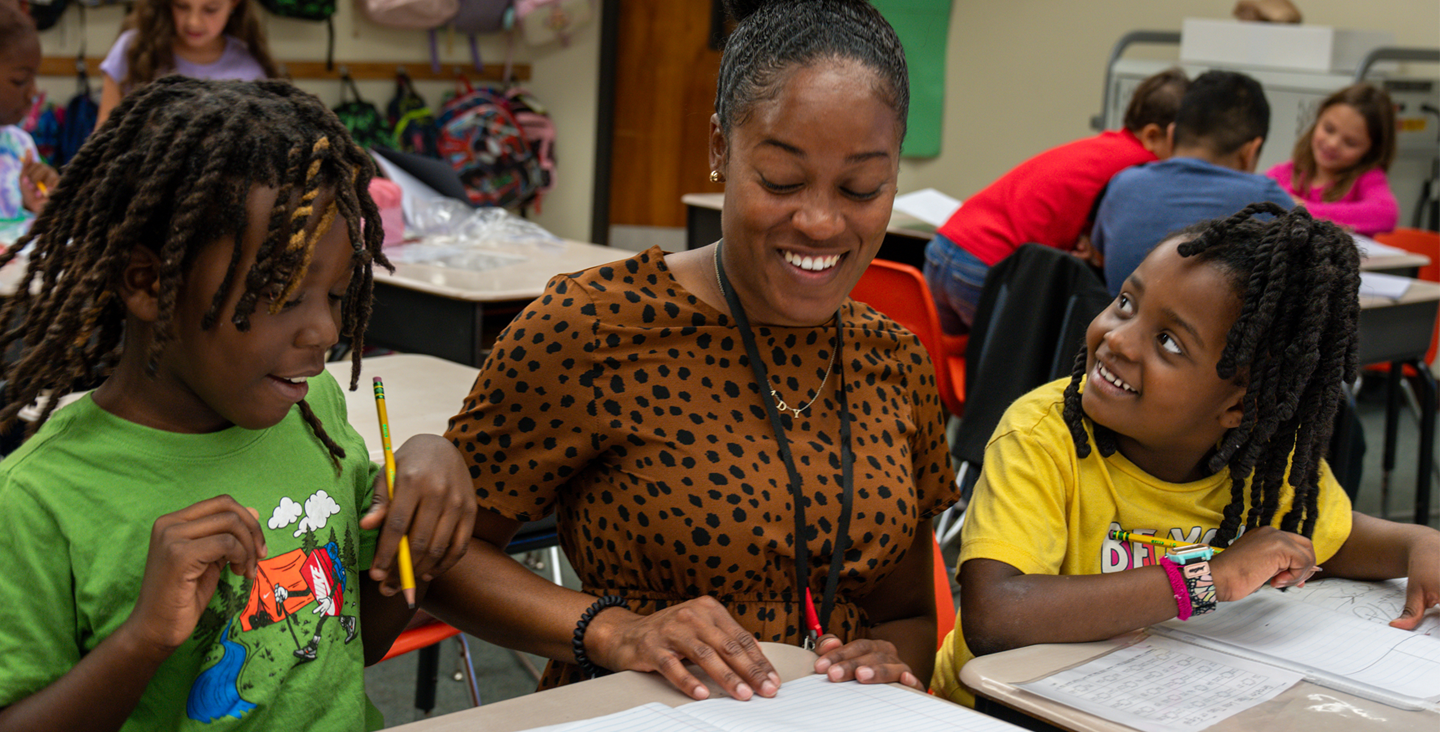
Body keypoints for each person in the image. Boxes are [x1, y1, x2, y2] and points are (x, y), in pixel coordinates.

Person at [426, 0, 957, 702]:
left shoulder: (893, 363)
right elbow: (440, 558)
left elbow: (910, 616)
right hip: (631, 711)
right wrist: (613, 630)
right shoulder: (597, 326)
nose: (822, 220)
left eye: (862, 188)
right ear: (718, 149)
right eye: (781, 181)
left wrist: (886, 660)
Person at [0, 77, 477, 731]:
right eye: (283, 294)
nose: (326, 334)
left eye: (337, 297)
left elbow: (350, 645)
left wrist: (423, 491)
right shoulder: (38, 500)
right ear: (149, 283)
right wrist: (144, 639)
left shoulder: (315, 413)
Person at [933, 203, 1440, 708]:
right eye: (1126, 303)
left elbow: (1328, 537)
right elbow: (995, 617)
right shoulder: (1046, 434)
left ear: (1241, 406)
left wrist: (1418, 544)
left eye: (1169, 342)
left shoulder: (1263, 465)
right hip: (1003, 711)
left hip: (1152, 702)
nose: (1117, 340)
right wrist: (1207, 579)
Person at [924, 67, 1189, 335]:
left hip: (943, 248)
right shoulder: (1142, 167)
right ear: (1154, 136)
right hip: (987, 266)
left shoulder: (1101, 148)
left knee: (950, 361)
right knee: (1007, 364)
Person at [1093, 70, 1294, 296]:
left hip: (1119, 327)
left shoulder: (1122, 183)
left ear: (1171, 135)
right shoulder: (1267, 201)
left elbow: (1098, 255)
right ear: (1250, 151)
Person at [96, 0, 279, 127]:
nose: (194, 22)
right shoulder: (132, 50)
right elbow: (102, 138)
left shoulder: (250, 68)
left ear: (234, 3)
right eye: (182, 6)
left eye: (210, 9)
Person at [1266, 83, 1399, 236]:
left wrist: (1302, 209)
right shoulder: (1287, 173)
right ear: (1317, 120)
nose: (1332, 144)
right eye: (1328, 129)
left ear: (1372, 150)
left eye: (1350, 143)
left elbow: (1386, 214)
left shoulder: (1368, 178)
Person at [0, 0, 58, 242]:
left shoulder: (18, 145)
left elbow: (24, 230)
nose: (33, 92)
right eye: (21, 80)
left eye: (35, 78)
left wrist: (34, 204)